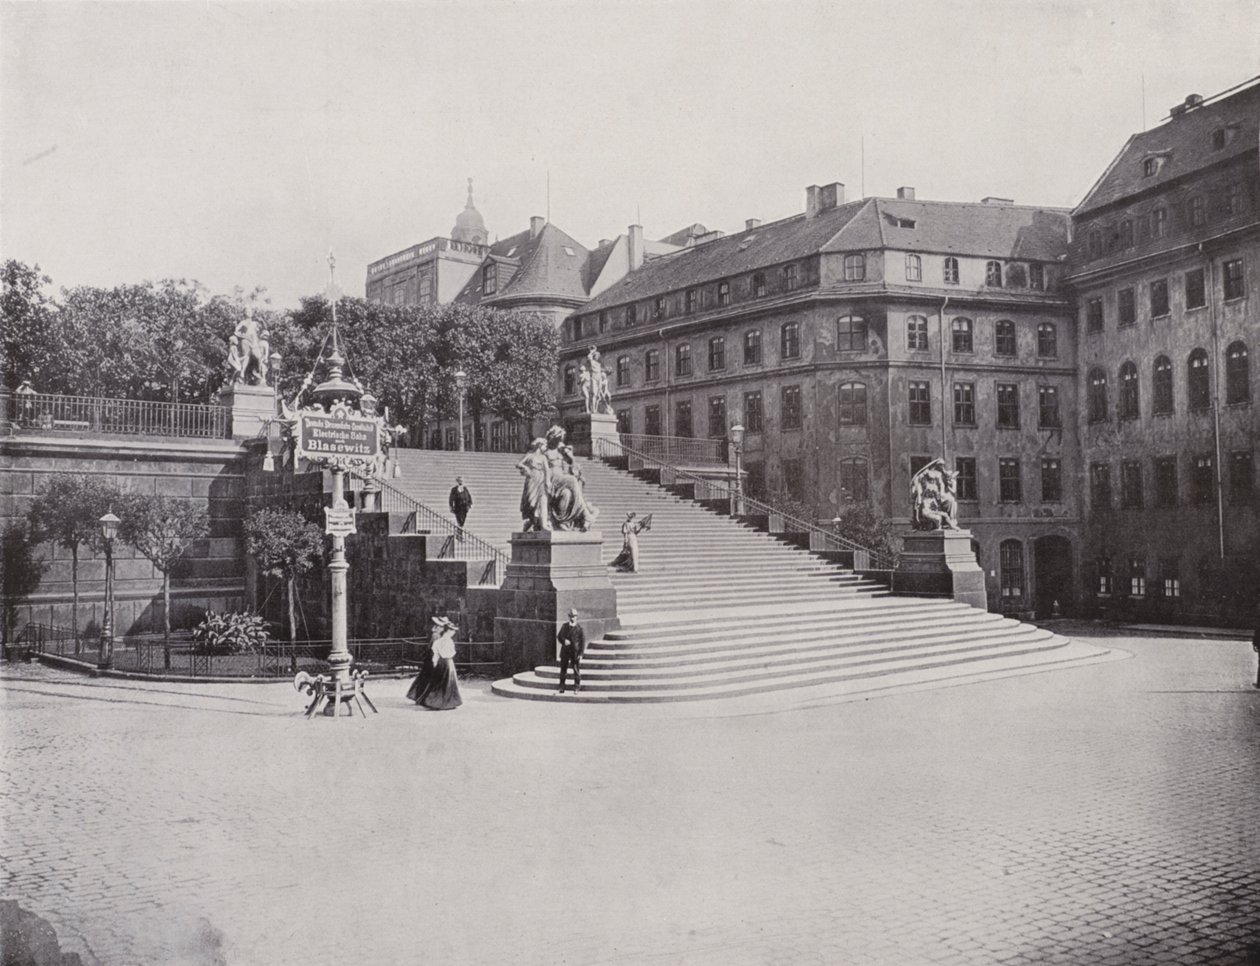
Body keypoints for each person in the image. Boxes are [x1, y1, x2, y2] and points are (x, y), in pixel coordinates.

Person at [406, 616, 463, 710]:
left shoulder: (441, 636)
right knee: (433, 680)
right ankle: (431, 699)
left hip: (436, 658)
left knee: (434, 680)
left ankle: (430, 699)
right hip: (435, 658)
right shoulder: (437, 635)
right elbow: (435, 648)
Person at [515, 438, 551, 531]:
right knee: (531, 502)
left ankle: (543, 524)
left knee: (543, 500)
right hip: (531, 479)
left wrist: (547, 481)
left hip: (541, 478)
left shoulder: (543, 457)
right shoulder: (529, 455)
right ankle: (531, 522)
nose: (546, 448)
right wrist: (526, 468)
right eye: (544, 445)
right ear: (539, 445)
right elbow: (518, 464)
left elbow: (547, 470)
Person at [556, 608, 586, 694]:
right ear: (569, 617)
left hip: (575, 653)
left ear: (577, 617)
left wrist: (581, 653)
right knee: (563, 670)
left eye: (574, 616)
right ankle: (561, 687)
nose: (572, 618)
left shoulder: (580, 629)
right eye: (571, 616)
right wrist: (564, 641)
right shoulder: (564, 626)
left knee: (576, 670)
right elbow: (559, 636)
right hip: (565, 652)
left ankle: (576, 687)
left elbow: (582, 642)